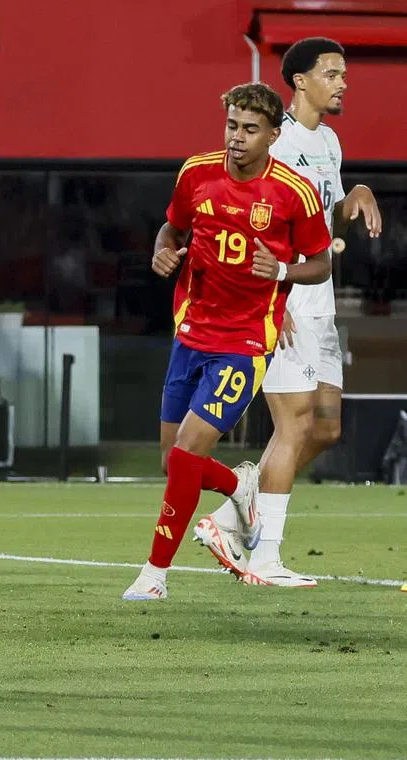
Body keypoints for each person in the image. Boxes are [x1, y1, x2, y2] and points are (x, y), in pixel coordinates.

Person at [124, 82, 333, 601]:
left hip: (245, 342)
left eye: (250, 129)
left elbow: (321, 264)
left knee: (187, 452)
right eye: (232, 126)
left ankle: (154, 576)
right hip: (191, 331)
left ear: (273, 135)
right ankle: (241, 486)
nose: (237, 137)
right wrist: (162, 251)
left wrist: (281, 269)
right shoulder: (196, 173)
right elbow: (172, 230)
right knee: (173, 461)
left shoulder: (294, 191)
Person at [194, 38, 382, 587]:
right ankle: (264, 558)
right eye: (332, 73)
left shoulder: (328, 141)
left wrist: (356, 195)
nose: (343, 83)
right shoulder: (276, 143)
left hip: (318, 300)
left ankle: (233, 512)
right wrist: (268, 300)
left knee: (325, 428)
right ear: (301, 81)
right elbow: (241, 219)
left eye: (343, 73)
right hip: (282, 298)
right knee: (294, 424)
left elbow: (325, 221)